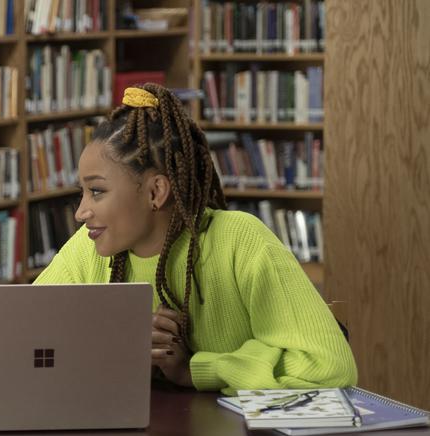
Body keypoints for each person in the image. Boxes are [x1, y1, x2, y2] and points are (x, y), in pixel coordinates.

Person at [35, 84, 356, 393]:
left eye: (97, 191)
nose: (80, 213)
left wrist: (196, 370)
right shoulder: (90, 246)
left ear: (155, 192)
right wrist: (117, 344)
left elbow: (330, 366)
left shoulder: (240, 240)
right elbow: (24, 341)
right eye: (83, 193)